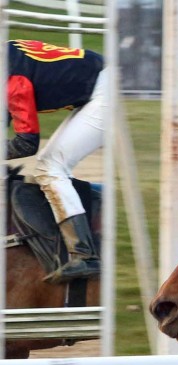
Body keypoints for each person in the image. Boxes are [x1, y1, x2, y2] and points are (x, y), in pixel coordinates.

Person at [5, 39, 106, 283]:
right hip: (97, 88)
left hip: (104, 94)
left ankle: (85, 256)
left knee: (51, 167)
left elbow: (26, 143)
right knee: (49, 166)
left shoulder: (11, 80)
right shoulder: (6, 55)